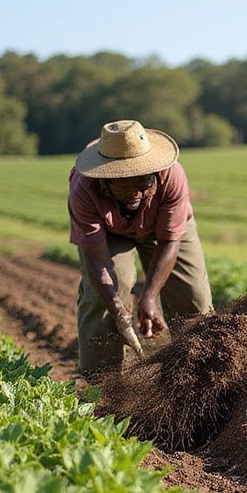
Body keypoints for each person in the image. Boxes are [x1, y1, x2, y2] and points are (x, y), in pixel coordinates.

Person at [68, 119, 212, 377]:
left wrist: (148, 296)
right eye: (125, 187)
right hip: (110, 233)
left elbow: (169, 240)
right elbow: (96, 258)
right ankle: (104, 384)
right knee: (107, 292)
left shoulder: (171, 176)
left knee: (193, 294)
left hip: (163, 229)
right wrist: (117, 308)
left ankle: (200, 373)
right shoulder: (84, 187)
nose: (136, 193)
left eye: (143, 184)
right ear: (106, 182)